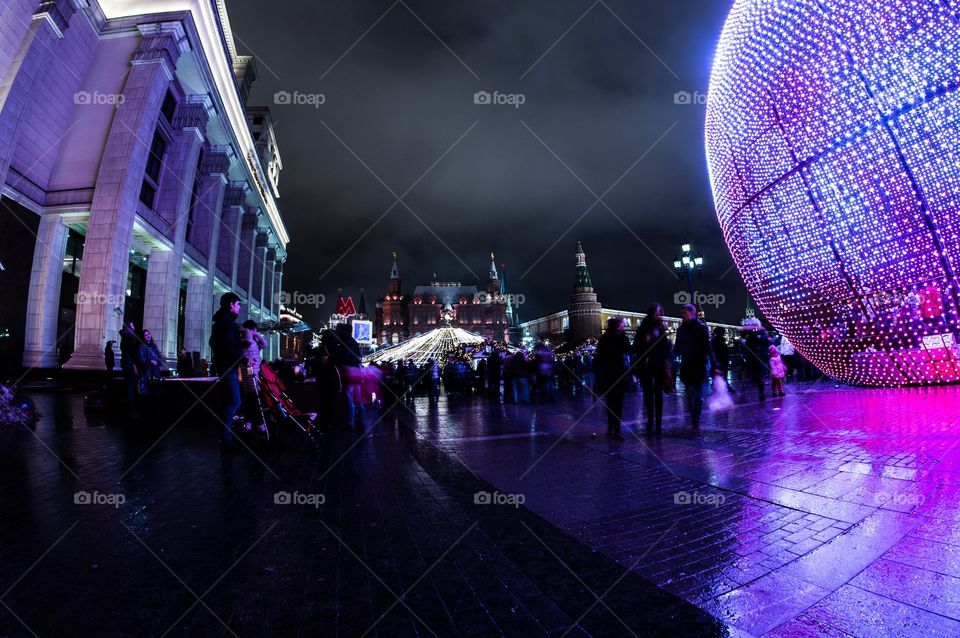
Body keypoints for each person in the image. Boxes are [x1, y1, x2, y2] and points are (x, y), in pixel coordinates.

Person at [210, 292, 244, 450]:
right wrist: (243, 358)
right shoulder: (226, 323)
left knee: (227, 401)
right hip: (228, 366)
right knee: (235, 401)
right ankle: (227, 438)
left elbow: (214, 342)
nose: (239, 307)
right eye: (238, 304)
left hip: (224, 365)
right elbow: (230, 346)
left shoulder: (222, 322)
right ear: (231, 304)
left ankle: (225, 437)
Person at [633, 304, 673, 433]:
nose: (658, 314)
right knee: (648, 395)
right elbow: (636, 346)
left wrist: (668, 356)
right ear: (651, 312)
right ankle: (650, 421)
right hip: (646, 365)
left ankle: (659, 424)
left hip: (659, 365)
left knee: (658, 395)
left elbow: (665, 345)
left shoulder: (661, 327)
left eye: (660, 312)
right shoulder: (643, 327)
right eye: (656, 311)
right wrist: (646, 341)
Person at [674, 304, 714, 427]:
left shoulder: (702, 328)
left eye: (685, 313)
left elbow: (707, 347)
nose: (683, 316)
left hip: (699, 365)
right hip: (687, 366)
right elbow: (677, 348)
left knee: (698, 395)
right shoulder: (681, 330)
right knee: (691, 395)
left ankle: (696, 416)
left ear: (692, 313)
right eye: (682, 313)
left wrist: (714, 363)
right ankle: (695, 419)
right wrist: (671, 357)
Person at [594, 317, 632, 440]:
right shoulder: (620, 338)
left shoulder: (604, 338)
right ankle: (616, 430)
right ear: (617, 326)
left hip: (609, 375)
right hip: (616, 374)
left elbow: (598, 357)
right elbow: (629, 350)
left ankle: (612, 428)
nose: (623, 326)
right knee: (617, 403)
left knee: (611, 403)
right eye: (622, 325)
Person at [742, 318, 772, 400]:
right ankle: (760, 391)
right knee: (758, 376)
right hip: (758, 358)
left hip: (758, 359)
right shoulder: (757, 335)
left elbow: (766, 344)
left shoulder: (754, 336)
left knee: (758, 376)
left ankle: (760, 391)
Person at [119, 321, 140, 416]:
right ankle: (130, 411)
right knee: (131, 386)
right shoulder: (130, 337)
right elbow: (131, 354)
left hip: (125, 363)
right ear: (128, 327)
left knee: (128, 384)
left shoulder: (124, 337)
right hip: (129, 363)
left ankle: (127, 410)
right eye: (132, 325)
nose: (134, 326)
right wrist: (134, 366)